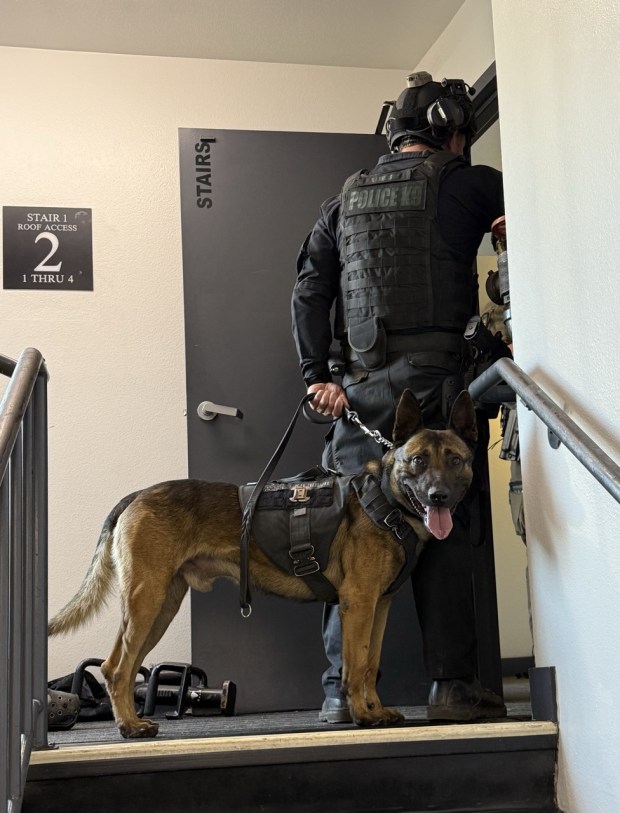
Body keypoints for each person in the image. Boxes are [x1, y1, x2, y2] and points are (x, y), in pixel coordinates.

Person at [291, 71, 508, 723]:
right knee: (445, 521)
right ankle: (453, 688)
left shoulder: (345, 197)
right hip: (440, 388)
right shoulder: (471, 182)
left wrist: (316, 376)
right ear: (449, 129)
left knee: (349, 535)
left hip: (358, 395)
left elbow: (308, 288)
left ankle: (339, 692)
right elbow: (523, 239)